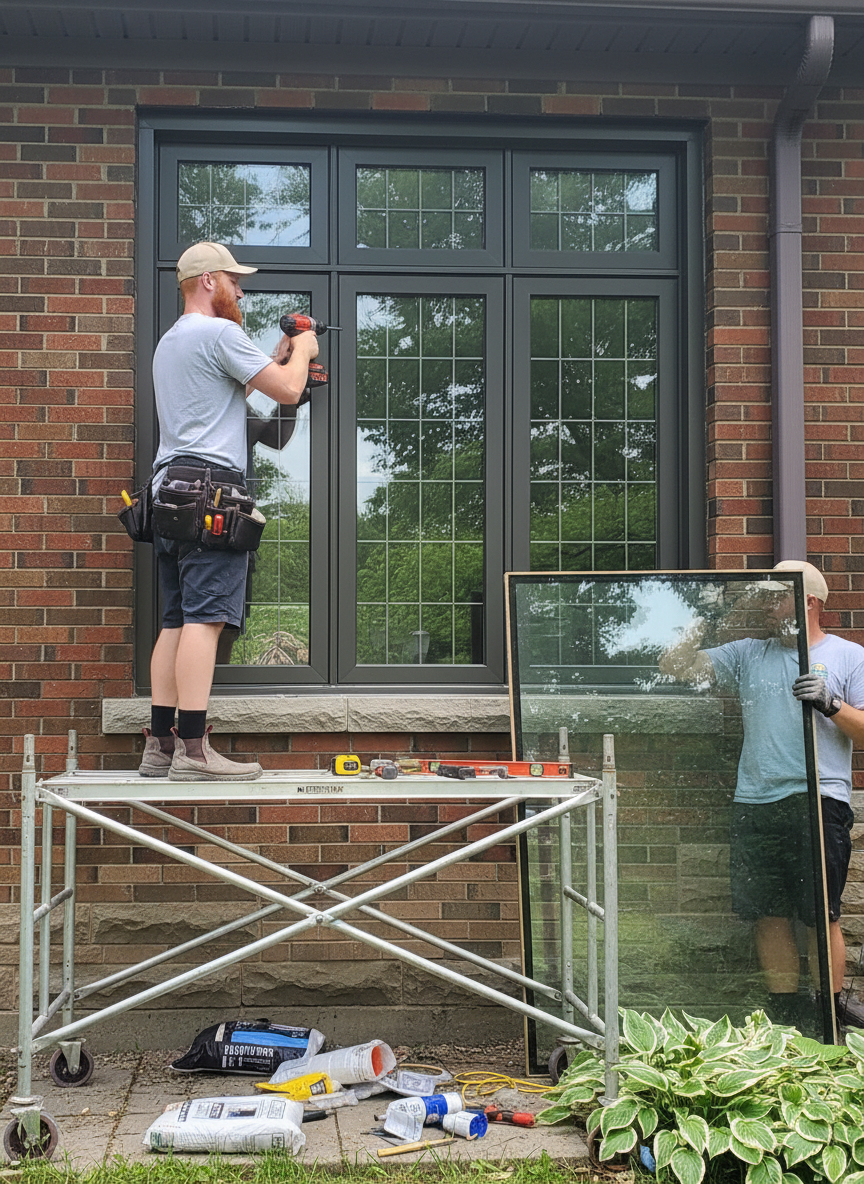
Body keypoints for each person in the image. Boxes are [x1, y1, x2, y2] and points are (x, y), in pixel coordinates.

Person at [139, 241, 319, 781]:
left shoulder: (171, 343)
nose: (242, 290)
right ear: (210, 281)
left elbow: (242, 382)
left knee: (174, 620)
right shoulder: (219, 332)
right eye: (235, 280)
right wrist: (304, 351)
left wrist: (277, 353)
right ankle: (194, 751)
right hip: (212, 491)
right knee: (206, 619)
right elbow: (286, 391)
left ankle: (160, 747)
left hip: (168, 489)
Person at [658, 560, 864, 1030]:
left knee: (821, 912)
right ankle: (785, 1016)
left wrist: (831, 704)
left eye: (775, 597)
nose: (767, 606)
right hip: (756, 799)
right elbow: (673, 667)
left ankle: (828, 1015)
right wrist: (708, 615)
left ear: (807, 600)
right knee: (767, 913)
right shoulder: (750, 652)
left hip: (819, 799)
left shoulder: (849, 656)